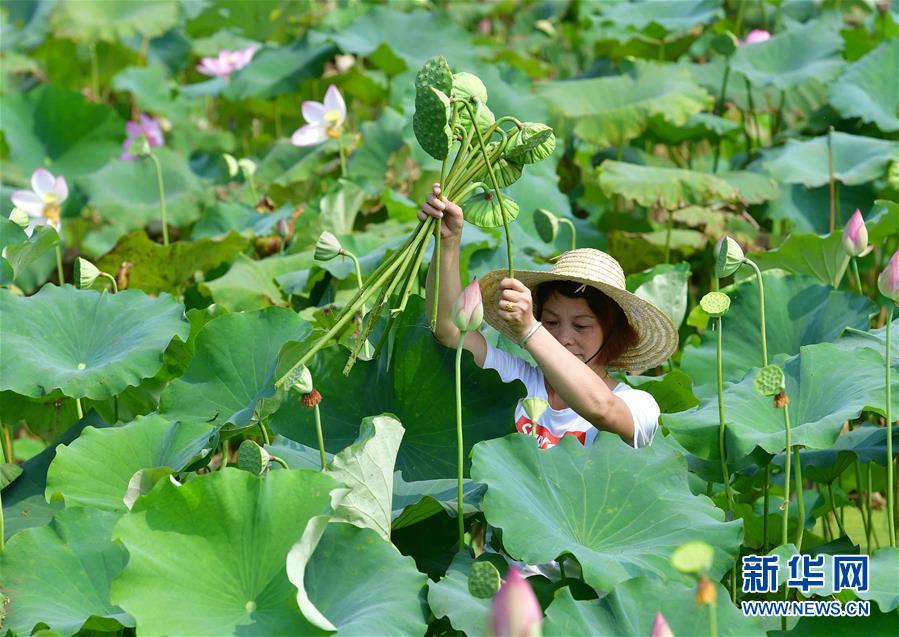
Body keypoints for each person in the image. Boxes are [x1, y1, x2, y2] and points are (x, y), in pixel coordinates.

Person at [421, 183, 678, 450]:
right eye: (552, 323)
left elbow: (602, 409)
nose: (564, 338)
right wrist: (447, 243)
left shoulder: (639, 406)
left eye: (581, 326)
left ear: (612, 333)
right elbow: (450, 330)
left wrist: (531, 330)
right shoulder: (517, 382)